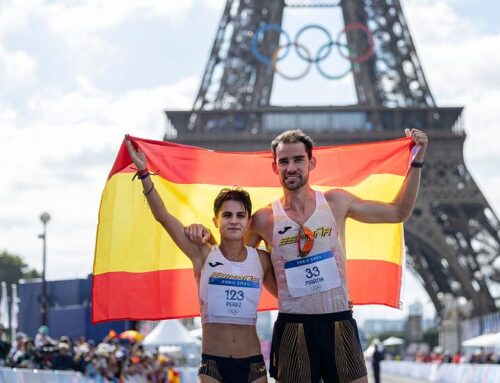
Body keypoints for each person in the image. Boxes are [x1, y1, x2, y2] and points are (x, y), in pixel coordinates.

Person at [186, 128, 428, 383]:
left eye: (298, 160)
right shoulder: (264, 219)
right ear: (275, 167)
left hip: (338, 321)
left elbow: (398, 212)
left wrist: (417, 159)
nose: (291, 167)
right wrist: (204, 236)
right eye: (284, 161)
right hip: (293, 326)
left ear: (311, 162)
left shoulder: (336, 202)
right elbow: (235, 260)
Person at [125, 137, 277, 383]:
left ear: (249, 222)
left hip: (252, 365)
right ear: (216, 221)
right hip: (213, 365)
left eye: (240, 215)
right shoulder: (203, 254)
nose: (234, 220)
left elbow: (289, 293)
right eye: (227, 215)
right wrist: (143, 172)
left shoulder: (262, 259)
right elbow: (163, 216)